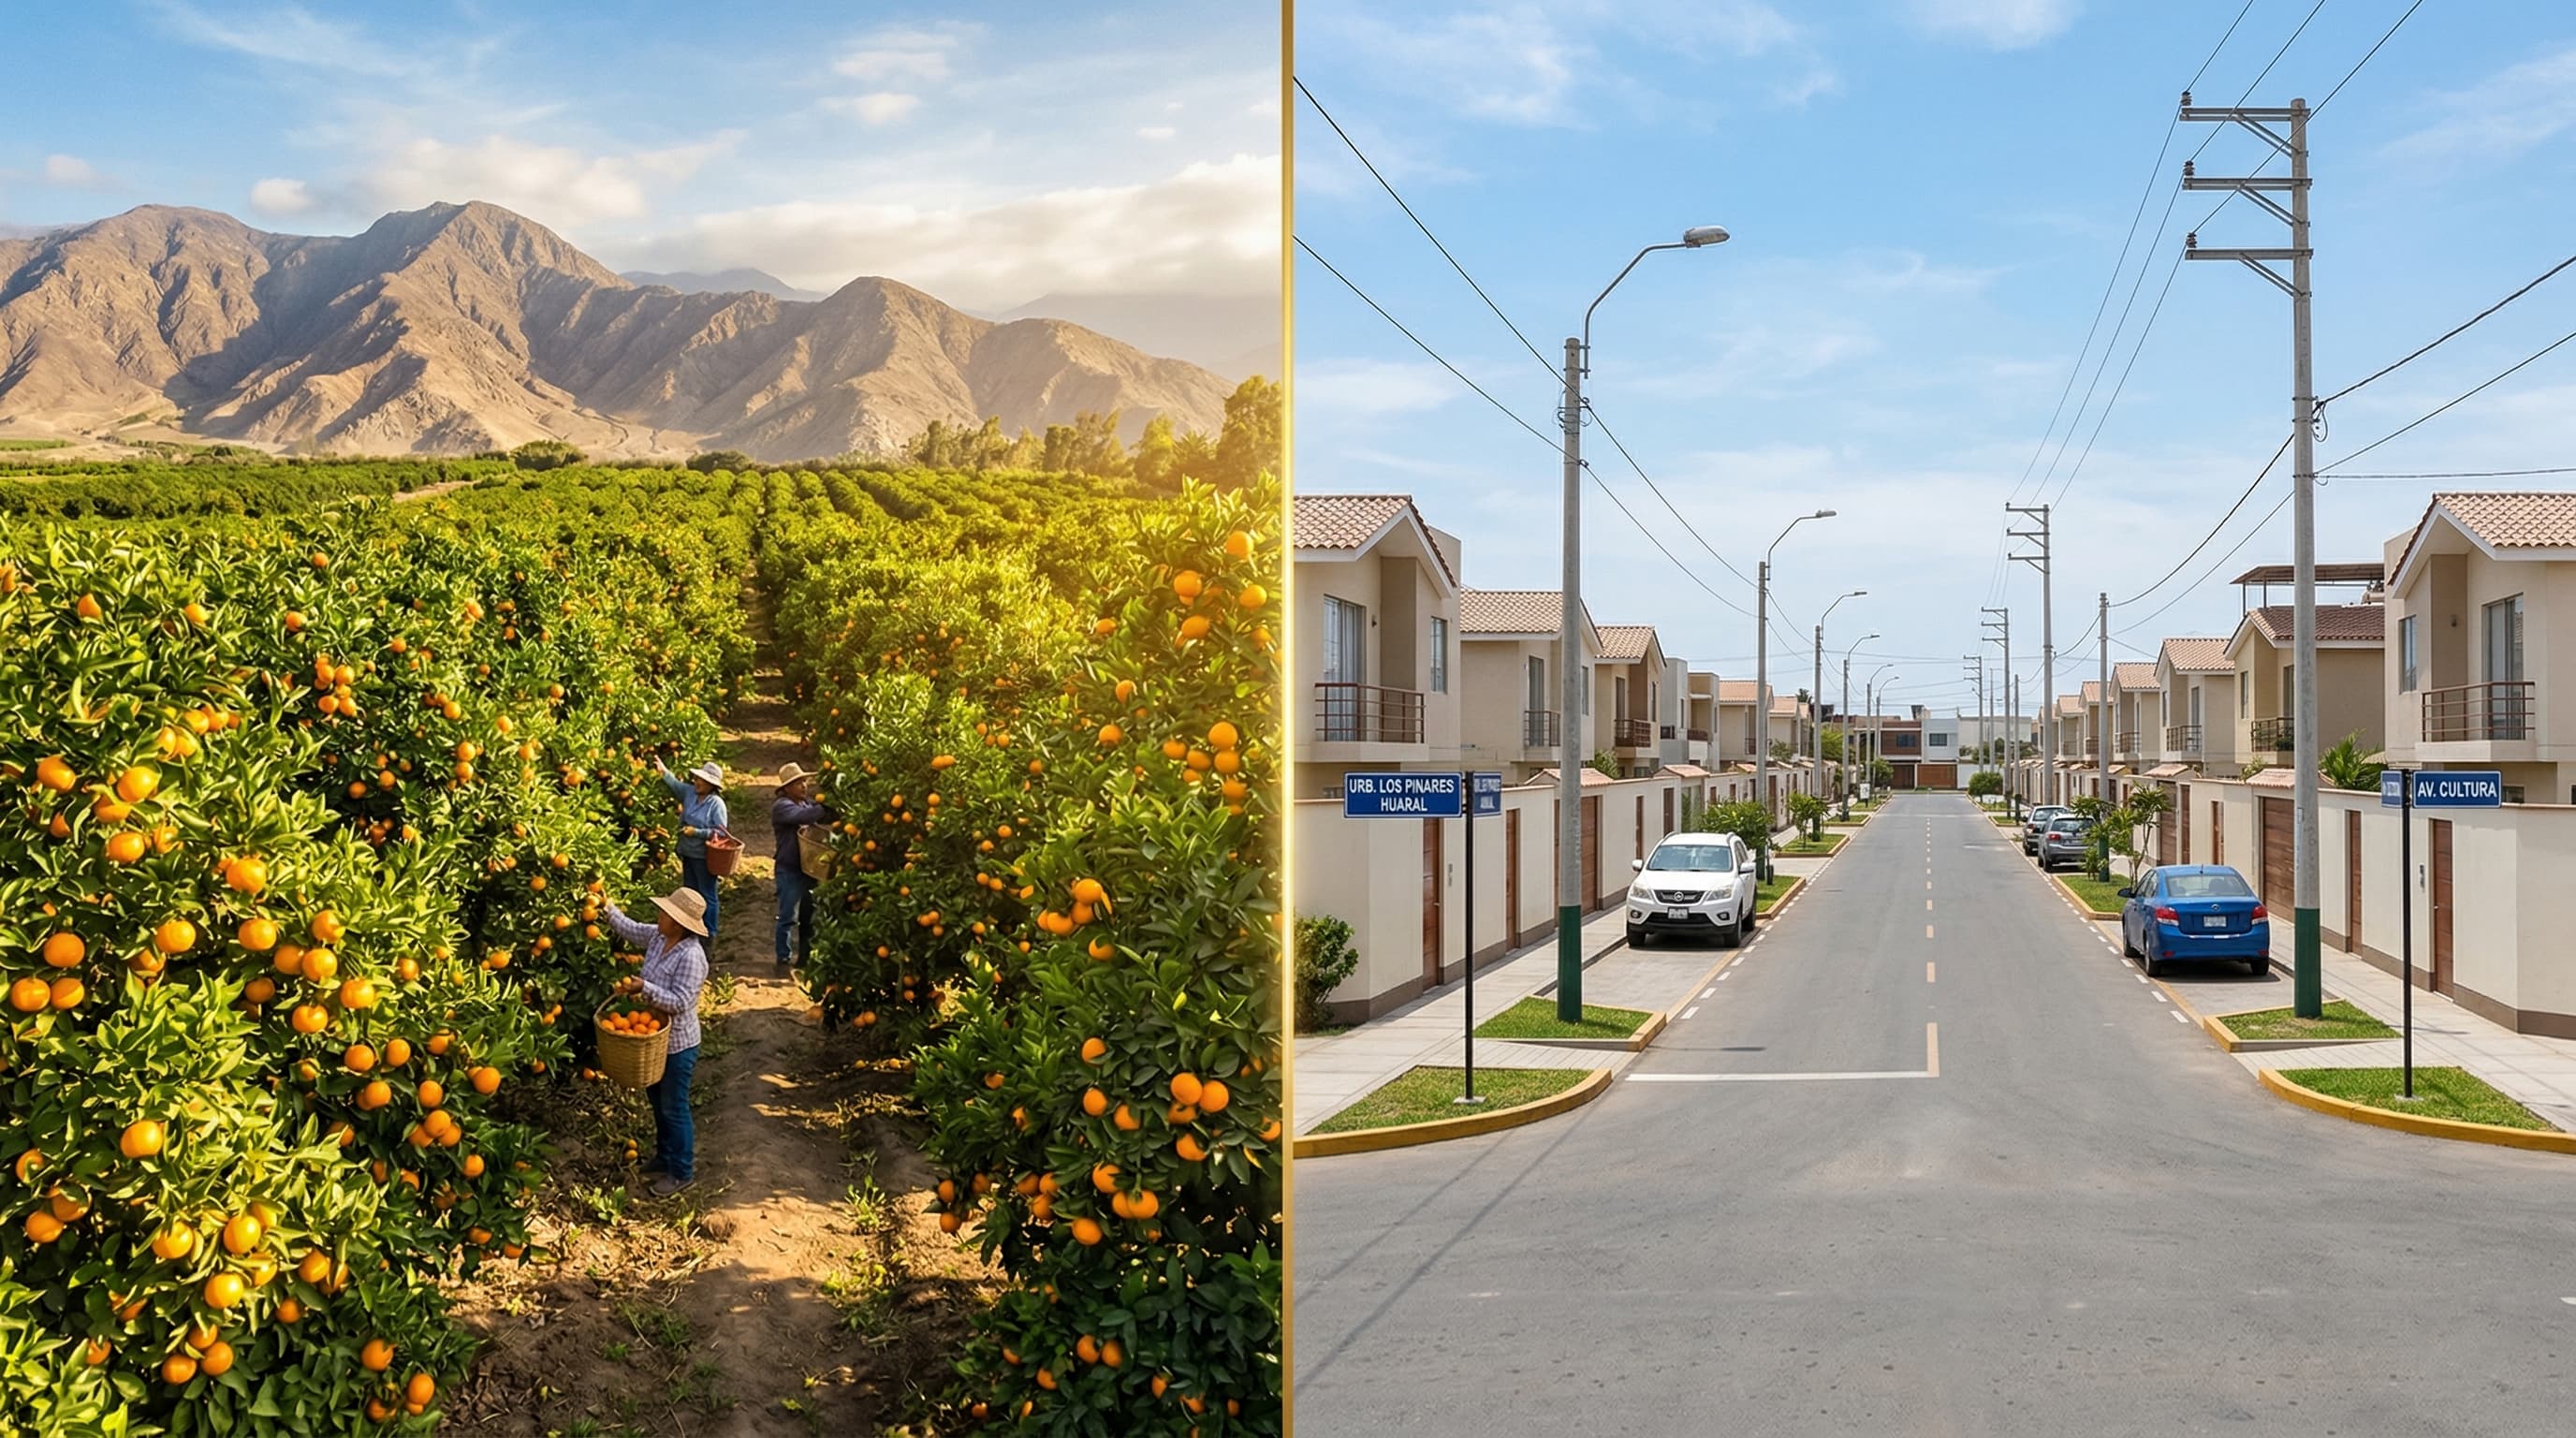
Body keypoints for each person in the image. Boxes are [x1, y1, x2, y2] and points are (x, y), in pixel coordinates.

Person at [601, 885, 710, 1196]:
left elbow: (680, 1002)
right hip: (651, 1039)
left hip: (678, 1045)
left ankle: (682, 1171)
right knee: (657, 1102)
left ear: (678, 922)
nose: (659, 915)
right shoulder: (659, 936)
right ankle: (664, 1157)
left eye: (664, 913)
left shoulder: (691, 956)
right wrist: (606, 906)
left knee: (674, 1107)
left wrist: (643, 988)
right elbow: (631, 928)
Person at [654, 756, 729, 942]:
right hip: (687, 853)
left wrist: (696, 832)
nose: (696, 782)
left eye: (701, 780)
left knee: (707, 894)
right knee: (689, 893)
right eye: (696, 779)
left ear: (711, 784)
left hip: (704, 856)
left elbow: (721, 834)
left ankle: (709, 934)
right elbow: (675, 784)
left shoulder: (716, 804)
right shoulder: (690, 793)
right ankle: (690, 929)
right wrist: (663, 769)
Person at [769, 762, 832, 974]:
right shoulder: (782, 806)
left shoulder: (806, 804)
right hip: (789, 869)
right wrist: (825, 806)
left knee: (809, 915)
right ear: (786, 788)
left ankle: (805, 956)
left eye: (804, 782)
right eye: (798, 783)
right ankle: (783, 958)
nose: (804, 786)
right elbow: (804, 817)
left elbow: (819, 814)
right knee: (788, 916)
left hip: (809, 869)